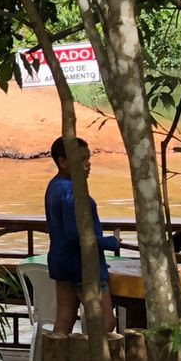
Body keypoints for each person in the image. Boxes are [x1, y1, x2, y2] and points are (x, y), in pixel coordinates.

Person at [46, 135, 119, 334]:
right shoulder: (73, 194)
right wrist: (110, 242)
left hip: (61, 262)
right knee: (105, 322)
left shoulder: (54, 186)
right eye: (81, 160)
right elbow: (76, 236)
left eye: (88, 159)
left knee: (64, 318)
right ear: (62, 162)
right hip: (81, 266)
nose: (88, 165)